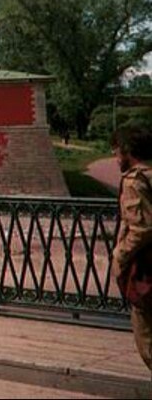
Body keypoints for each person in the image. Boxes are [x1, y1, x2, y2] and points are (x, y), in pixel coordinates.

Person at [112, 122, 152, 372]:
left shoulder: (134, 180)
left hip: (147, 268)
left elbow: (141, 227)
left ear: (127, 151)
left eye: (116, 152)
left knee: (147, 339)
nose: (116, 159)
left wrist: (120, 257)